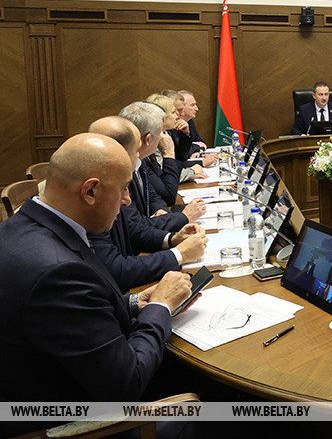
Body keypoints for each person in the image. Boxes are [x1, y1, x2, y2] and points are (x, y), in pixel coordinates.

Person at [0, 134, 192, 433]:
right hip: (77, 423)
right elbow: (127, 384)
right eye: (124, 188)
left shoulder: (20, 227)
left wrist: (133, 302)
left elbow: (63, 319)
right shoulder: (59, 273)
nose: (127, 200)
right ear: (89, 191)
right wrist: (161, 306)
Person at [87, 116, 208, 292]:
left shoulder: (113, 180)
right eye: (135, 150)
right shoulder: (95, 196)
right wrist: (180, 254)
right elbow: (116, 270)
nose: (139, 155)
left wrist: (173, 239)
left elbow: (134, 230)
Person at [118, 101, 206, 231]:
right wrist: (183, 217)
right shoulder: (122, 170)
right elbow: (168, 195)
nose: (162, 137)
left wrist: (161, 211)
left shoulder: (140, 161)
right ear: (148, 139)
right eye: (160, 132)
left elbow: (153, 196)